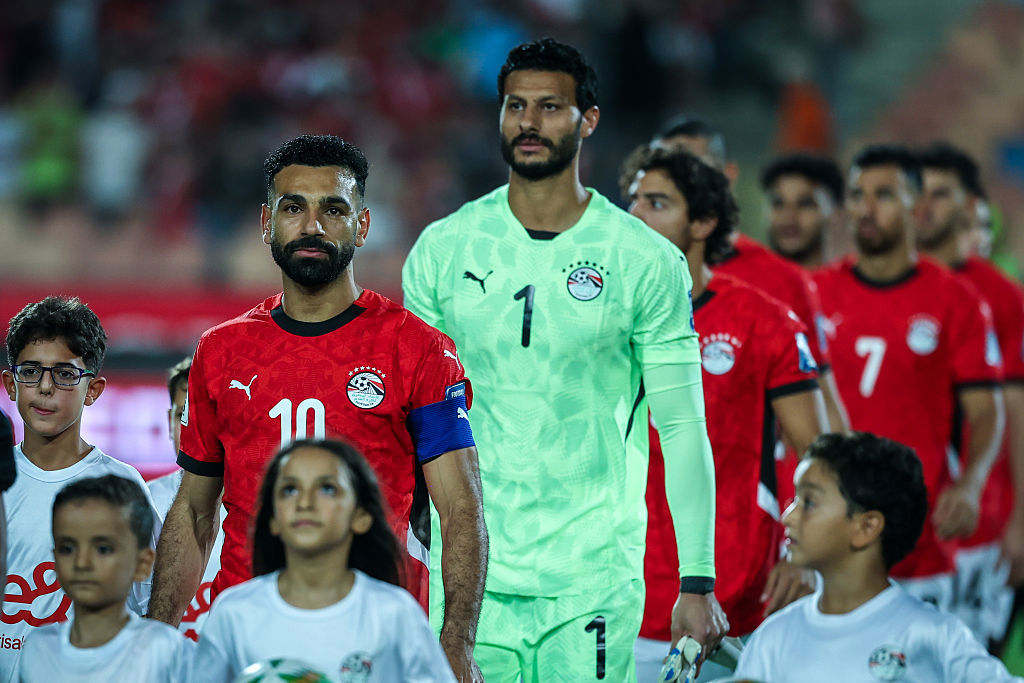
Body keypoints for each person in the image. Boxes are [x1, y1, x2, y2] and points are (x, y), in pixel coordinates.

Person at [403, 39, 726, 682]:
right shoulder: (443, 250)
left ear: (589, 119)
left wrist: (698, 578)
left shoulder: (644, 260)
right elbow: (413, 424)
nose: (529, 122)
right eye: (515, 106)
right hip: (468, 579)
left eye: (551, 107)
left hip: (593, 578)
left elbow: (684, 427)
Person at [147, 134, 487, 680]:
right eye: (293, 208)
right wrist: (157, 637)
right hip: (248, 635)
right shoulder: (221, 351)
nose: (312, 225)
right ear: (266, 223)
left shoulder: (418, 349)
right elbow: (193, 509)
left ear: (363, 225)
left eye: (333, 209)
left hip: (378, 640)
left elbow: (461, 511)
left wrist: (456, 644)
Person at [622, 145, 826, 681]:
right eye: (633, 201)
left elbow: (818, 452)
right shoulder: (601, 321)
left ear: (704, 221)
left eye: (657, 203)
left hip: (733, 596)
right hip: (614, 591)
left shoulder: (763, 321)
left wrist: (800, 554)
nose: (635, 216)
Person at [815, 144, 1004, 610]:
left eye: (883, 194)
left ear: (915, 207)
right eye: (857, 194)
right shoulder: (814, 294)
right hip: (827, 544)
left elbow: (987, 411)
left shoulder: (956, 301)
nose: (866, 207)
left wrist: (970, 485)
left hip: (918, 547)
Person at [652, 116, 850, 512]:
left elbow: (821, 401)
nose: (682, 183)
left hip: (743, 518)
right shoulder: (633, 279)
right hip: (647, 521)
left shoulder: (779, 283)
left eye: (694, 168)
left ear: (727, 176)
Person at [735, 432, 1023, 682]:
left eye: (808, 502)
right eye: (794, 500)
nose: (788, 517)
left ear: (867, 527)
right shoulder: (773, 637)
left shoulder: (932, 636)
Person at [192, 439, 454, 682]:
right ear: (272, 518)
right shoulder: (234, 613)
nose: (305, 502)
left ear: (360, 515)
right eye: (289, 489)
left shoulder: (395, 615)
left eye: (327, 488)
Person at [1, 296, 160, 682]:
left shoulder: (121, 486)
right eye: (31, 371)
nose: (44, 387)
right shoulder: (2, 477)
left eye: (65, 374)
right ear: (9, 383)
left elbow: (147, 603)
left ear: (94, 389)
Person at [917, 141, 1024, 643]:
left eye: (940, 194)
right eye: (918, 192)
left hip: (979, 524)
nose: (926, 205)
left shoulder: (1001, 297)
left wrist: (1021, 519)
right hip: (899, 526)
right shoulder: (872, 284)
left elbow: (1016, 411)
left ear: (967, 207)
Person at [19, 475, 190, 682]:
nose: (82, 562)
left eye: (103, 549)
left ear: (143, 563)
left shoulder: (168, 650)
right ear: (55, 557)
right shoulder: (38, 648)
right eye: (68, 548)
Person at [146, 357, 225, 641]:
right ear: (169, 422)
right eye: (184, 414)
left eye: (210, 414)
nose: (196, 427)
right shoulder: (142, 501)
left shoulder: (259, 507)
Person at [760, 153, 846, 270]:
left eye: (805, 204)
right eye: (778, 204)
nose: (788, 217)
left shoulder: (853, 286)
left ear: (833, 214)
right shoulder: (744, 285)